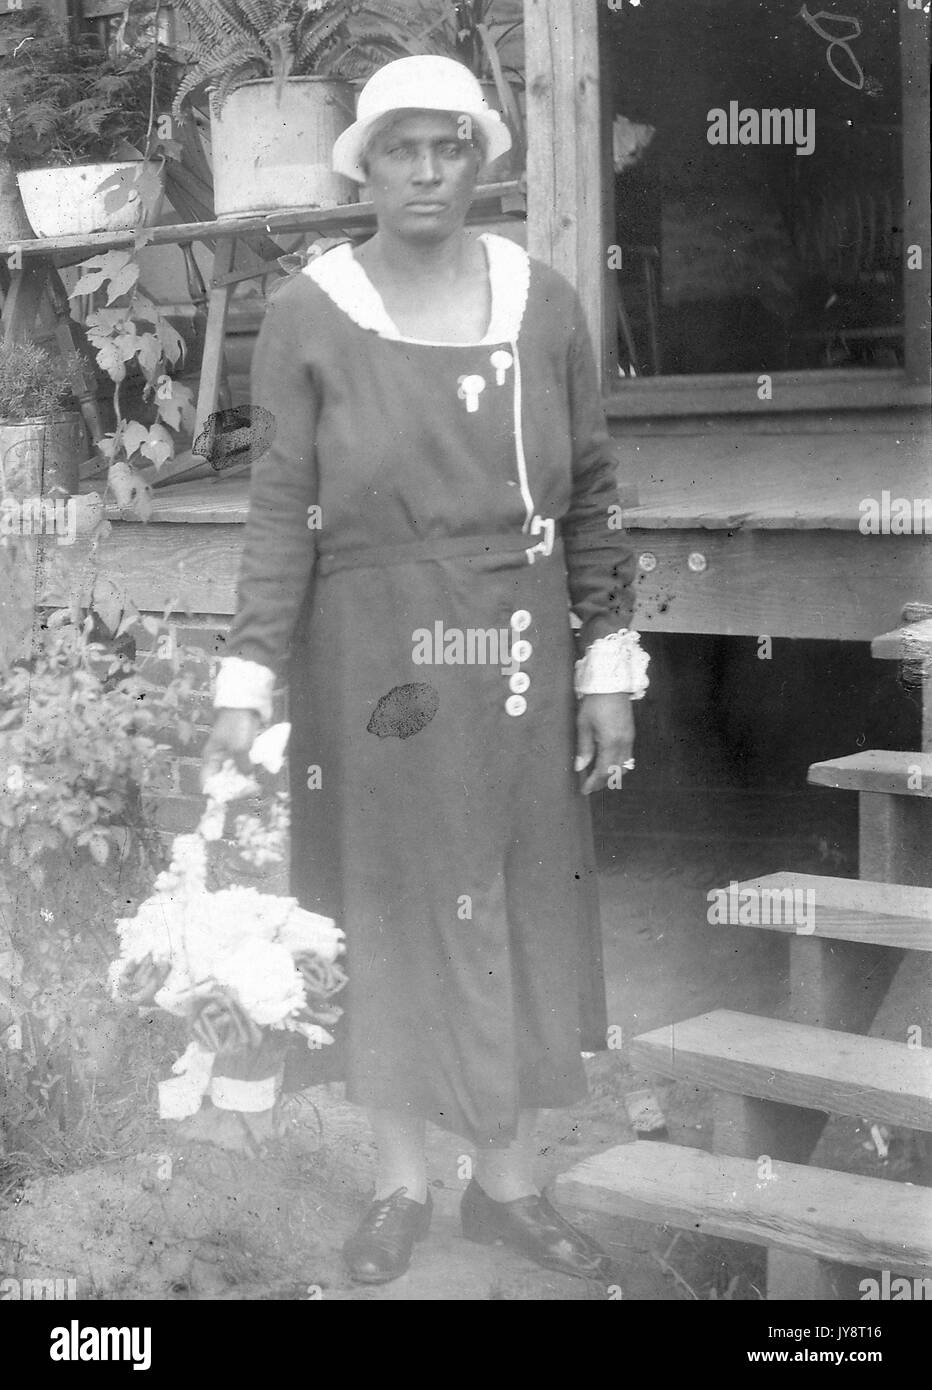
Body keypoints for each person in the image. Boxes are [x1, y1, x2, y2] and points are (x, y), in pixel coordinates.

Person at [204, 56, 649, 1287]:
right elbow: (276, 507)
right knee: (391, 908)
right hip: (370, 654)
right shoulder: (310, 311)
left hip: (517, 647)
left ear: (480, 159)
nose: (424, 171)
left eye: (448, 147)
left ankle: (505, 1188)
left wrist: (605, 663)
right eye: (399, 148)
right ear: (364, 164)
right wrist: (248, 679)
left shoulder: (543, 300)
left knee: (512, 897)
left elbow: (598, 496)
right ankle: (402, 1182)